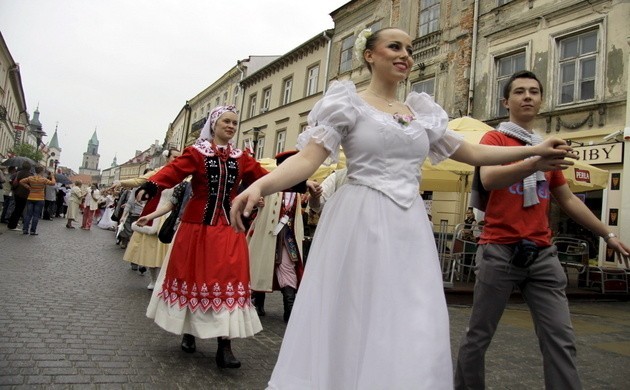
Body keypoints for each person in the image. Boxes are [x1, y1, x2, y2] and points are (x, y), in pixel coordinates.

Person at [229, 28, 575, 388]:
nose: (405, 55)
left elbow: (473, 153)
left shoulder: (420, 112)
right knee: (356, 312)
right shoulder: (347, 104)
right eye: (394, 47)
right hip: (361, 218)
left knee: (413, 314)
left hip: (409, 223)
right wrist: (260, 185)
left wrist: (533, 151)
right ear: (369, 55)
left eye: (409, 49)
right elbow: (307, 159)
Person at [454, 70, 630, 389]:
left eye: (534, 91)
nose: (527, 96)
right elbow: (490, 180)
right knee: (478, 337)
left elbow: (566, 199)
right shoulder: (495, 139)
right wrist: (535, 161)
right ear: (506, 102)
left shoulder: (545, 146)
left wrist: (609, 234)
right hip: (498, 251)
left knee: (560, 339)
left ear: (541, 100)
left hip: (542, 255)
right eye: (519, 92)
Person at [142, 105, 268, 369]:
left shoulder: (241, 157)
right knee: (194, 277)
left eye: (235, 122)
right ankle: (189, 331)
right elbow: (173, 171)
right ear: (214, 124)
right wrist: (151, 184)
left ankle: (225, 345)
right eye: (226, 121)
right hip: (197, 227)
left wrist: (302, 182)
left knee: (228, 280)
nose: (231, 126)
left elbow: (266, 178)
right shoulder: (197, 153)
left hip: (229, 227)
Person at [247, 150, 320, 322]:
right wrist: (258, 203)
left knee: (287, 267)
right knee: (262, 265)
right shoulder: (269, 184)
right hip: (267, 233)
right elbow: (253, 201)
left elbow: (313, 207)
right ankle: (258, 303)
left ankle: (290, 307)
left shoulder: (301, 189)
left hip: (288, 237)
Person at [122, 149, 181, 289]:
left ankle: (166, 280)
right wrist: (121, 183)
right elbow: (140, 181)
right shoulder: (158, 171)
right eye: (175, 157)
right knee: (152, 250)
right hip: (156, 214)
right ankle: (154, 280)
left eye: (180, 157)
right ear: (167, 158)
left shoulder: (184, 174)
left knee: (171, 252)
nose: (178, 159)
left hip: (173, 214)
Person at [19, 166, 56, 235]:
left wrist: (28, 187)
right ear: (42, 171)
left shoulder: (31, 178)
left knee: (28, 215)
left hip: (30, 197)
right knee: (36, 215)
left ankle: (25, 229)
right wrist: (52, 176)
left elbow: (21, 181)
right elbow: (53, 183)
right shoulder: (43, 179)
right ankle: (33, 231)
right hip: (39, 198)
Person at [7, 161, 33, 231]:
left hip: (16, 193)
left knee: (16, 209)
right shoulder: (30, 175)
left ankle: (11, 224)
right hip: (24, 194)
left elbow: (11, 180)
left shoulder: (18, 173)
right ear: (29, 167)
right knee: (19, 210)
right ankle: (13, 225)